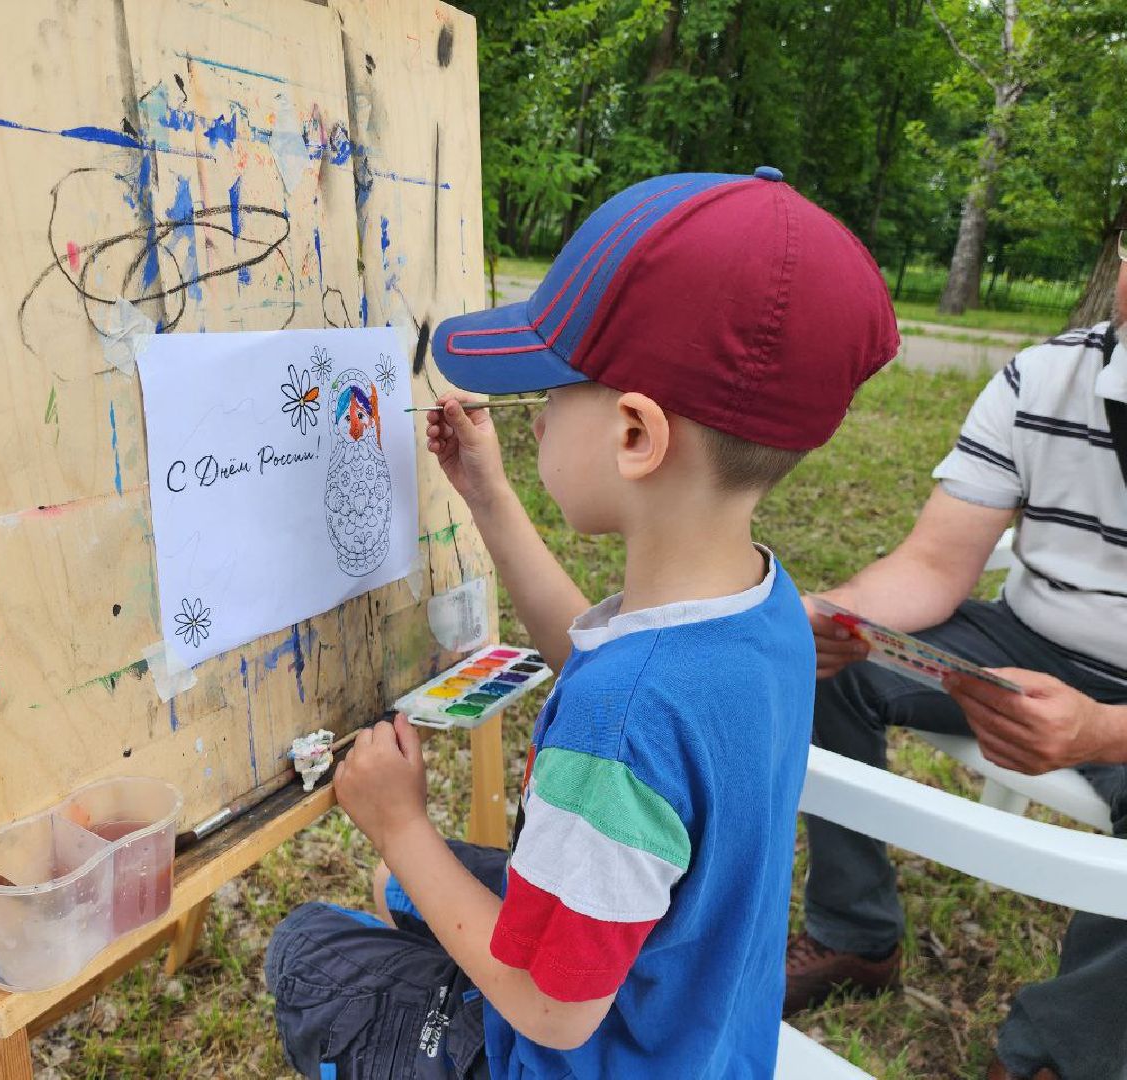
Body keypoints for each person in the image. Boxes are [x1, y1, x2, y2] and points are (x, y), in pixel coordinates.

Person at [264, 168, 898, 1078]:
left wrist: (400, 823)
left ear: (635, 435)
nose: (536, 418)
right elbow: (591, 651)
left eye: (550, 393)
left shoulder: (619, 731)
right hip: (701, 1032)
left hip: (583, 1050)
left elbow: (554, 1008)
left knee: (310, 947)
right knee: (397, 891)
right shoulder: (760, 610)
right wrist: (489, 496)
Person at [786, 232, 1127, 1080]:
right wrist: (841, 614)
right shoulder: (1046, 375)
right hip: (1027, 634)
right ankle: (854, 933)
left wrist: (1103, 731)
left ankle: (1063, 1051)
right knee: (829, 663)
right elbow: (935, 566)